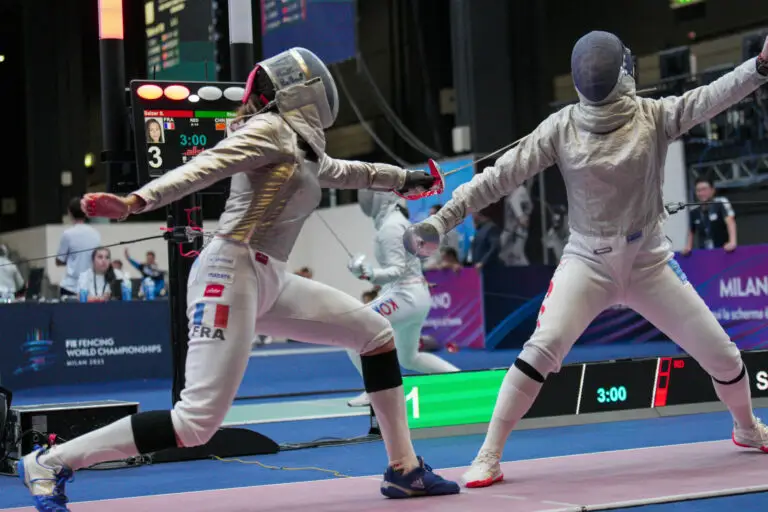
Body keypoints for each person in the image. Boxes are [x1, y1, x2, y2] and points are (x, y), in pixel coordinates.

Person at [17, 47, 458, 511]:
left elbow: (347, 172)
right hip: (229, 273)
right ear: (298, 91)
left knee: (375, 335)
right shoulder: (269, 130)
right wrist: (136, 202)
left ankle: (404, 468)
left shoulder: (302, 147)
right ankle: (49, 462)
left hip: (269, 277)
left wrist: (404, 179)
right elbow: (204, 166)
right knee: (195, 423)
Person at [404, 31, 768, 488]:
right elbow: (498, 177)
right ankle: (488, 454)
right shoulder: (565, 128)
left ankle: (746, 428)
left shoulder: (652, 116)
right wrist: (441, 221)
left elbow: (713, 97)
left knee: (723, 355)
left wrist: (760, 66)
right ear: (625, 73)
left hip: (648, 263)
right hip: (587, 263)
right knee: (540, 350)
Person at [346, 192, 460, 407]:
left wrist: (369, 274)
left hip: (405, 296)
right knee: (409, 358)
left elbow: (396, 270)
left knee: (354, 331)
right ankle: (461, 379)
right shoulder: (398, 222)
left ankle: (375, 392)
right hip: (415, 295)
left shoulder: (391, 227)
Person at [56, 198, 101, 298]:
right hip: (89, 287)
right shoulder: (96, 234)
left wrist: (72, 257)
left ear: (69, 212)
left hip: (70, 286)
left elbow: (59, 261)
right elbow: (97, 259)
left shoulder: (67, 234)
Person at [683, 176, 737, 255]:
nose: (701, 193)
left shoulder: (721, 203)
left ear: (712, 190)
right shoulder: (693, 211)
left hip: (724, 251)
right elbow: (691, 231)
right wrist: (688, 246)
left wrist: (732, 242)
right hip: (705, 254)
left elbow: (730, 222)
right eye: (698, 190)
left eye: (704, 189)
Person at [499, 183, 533, 266]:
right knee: (507, 258)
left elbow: (516, 204)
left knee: (516, 256)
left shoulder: (520, 191)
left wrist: (521, 218)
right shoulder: (514, 192)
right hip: (511, 232)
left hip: (515, 233)